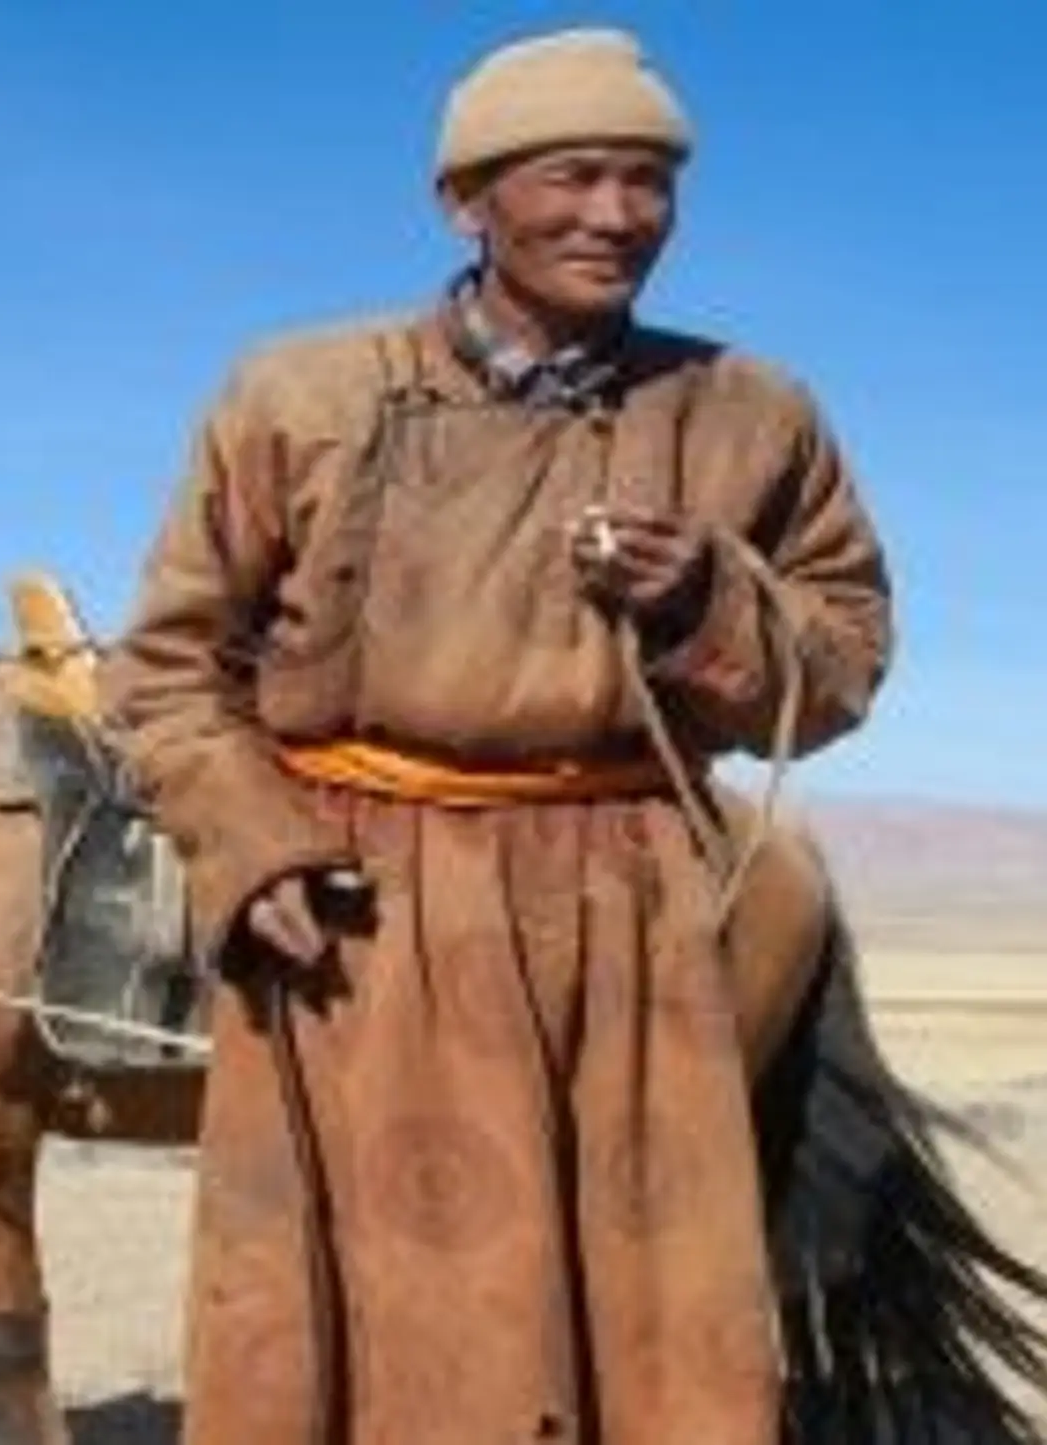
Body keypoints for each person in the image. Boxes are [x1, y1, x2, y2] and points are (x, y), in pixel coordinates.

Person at [99, 24, 893, 1445]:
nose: (618, 216)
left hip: (631, 913)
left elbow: (841, 669)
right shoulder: (299, 395)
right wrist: (250, 845)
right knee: (390, 1314)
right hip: (359, 909)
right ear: (466, 201)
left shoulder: (753, 415)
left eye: (649, 181)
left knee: (659, 1317)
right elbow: (166, 665)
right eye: (574, 176)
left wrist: (707, 599)